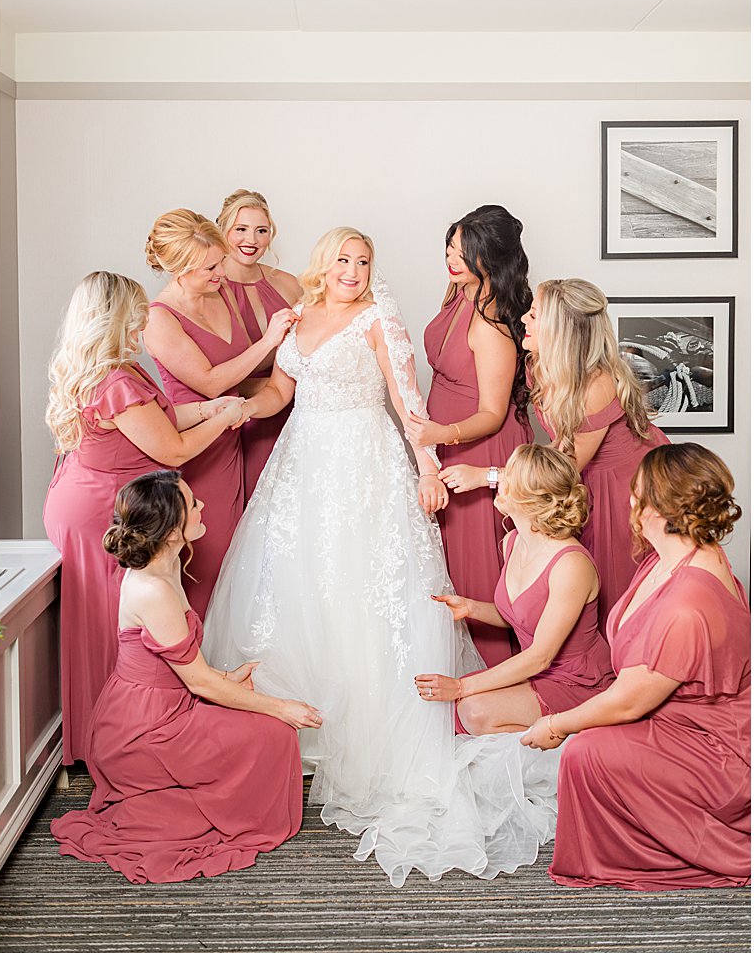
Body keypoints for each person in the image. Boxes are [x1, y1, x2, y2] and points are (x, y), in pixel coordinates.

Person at [203, 227, 558, 887]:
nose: (354, 269)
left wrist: (427, 468)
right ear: (323, 262)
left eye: (364, 260)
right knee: (300, 591)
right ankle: (298, 738)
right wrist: (230, 409)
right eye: (343, 258)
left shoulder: (378, 318)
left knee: (367, 595)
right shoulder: (300, 317)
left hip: (367, 469)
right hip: (303, 469)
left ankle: (368, 739)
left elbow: (406, 402)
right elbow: (280, 395)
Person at [51, 470, 319, 884]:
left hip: (166, 704)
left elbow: (187, 671)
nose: (203, 506)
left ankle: (214, 798)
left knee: (267, 731)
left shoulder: (168, 564)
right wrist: (281, 708)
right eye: (193, 504)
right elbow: (199, 683)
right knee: (277, 733)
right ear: (173, 527)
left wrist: (229, 677)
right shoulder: (152, 589)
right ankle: (197, 804)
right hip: (145, 728)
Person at [521, 443, 748, 889]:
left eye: (636, 494)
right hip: (676, 718)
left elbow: (627, 703)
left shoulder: (689, 602)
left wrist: (556, 725)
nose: (629, 502)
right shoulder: (668, 561)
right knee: (588, 739)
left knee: (587, 751)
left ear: (659, 510)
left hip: (714, 748)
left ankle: (662, 850)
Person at [43, 271, 246, 766]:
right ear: (114, 319)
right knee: (112, 622)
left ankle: (115, 733)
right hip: (103, 509)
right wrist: (223, 420)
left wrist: (207, 407)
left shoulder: (111, 369)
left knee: (113, 618)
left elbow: (161, 419)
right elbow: (171, 449)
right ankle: (115, 741)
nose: (143, 322)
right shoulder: (114, 381)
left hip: (91, 496)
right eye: (134, 314)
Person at [442, 279, 668, 617]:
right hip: (584, 478)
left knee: (615, 594)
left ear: (560, 328)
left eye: (534, 315)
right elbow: (559, 445)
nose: (522, 321)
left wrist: (487, 475)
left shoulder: (596, 385)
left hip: (624, 486)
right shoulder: (540, 365)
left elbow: (563, 466)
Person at [406, 206, 533, 666]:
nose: (451, 257)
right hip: (447, 445)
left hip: (481, 447)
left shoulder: (493, 320)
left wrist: (442, 432)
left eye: (463, 251)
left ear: (491, 258)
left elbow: (493, 414)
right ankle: (458, 671)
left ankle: (497, 672)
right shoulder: (458, 291)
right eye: (450, 246)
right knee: (446, 567)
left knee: (479, 569)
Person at [144, 209, 286, 613]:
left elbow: (242, 381)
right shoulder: (160, 318)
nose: (221, 273)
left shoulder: (218, 291)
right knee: (208, 558)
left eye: (219, 261)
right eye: (210, 267)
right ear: (182, 270)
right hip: (199, 448)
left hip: (239, 435)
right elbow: (210, 382)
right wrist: (269, 340)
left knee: (247, 560)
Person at [415, 445, 613, 733]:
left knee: (472, 709)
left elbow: (540, 655)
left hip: (579, 682)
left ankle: (569, 742)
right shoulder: (512, 541)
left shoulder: (571, 565)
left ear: (530, 500)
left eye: (510, 477)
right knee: (447, 713)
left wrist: (460, 687)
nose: (500, 481)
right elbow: (522, 617)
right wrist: (471, 608)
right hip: (537, 673)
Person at [215, 190, 301, 499]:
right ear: (222, 229)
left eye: (260, 230)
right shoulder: (209, 286)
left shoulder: (289, 283)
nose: (251, 239)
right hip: (230, 413)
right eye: (241, 229)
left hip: (286, 410)